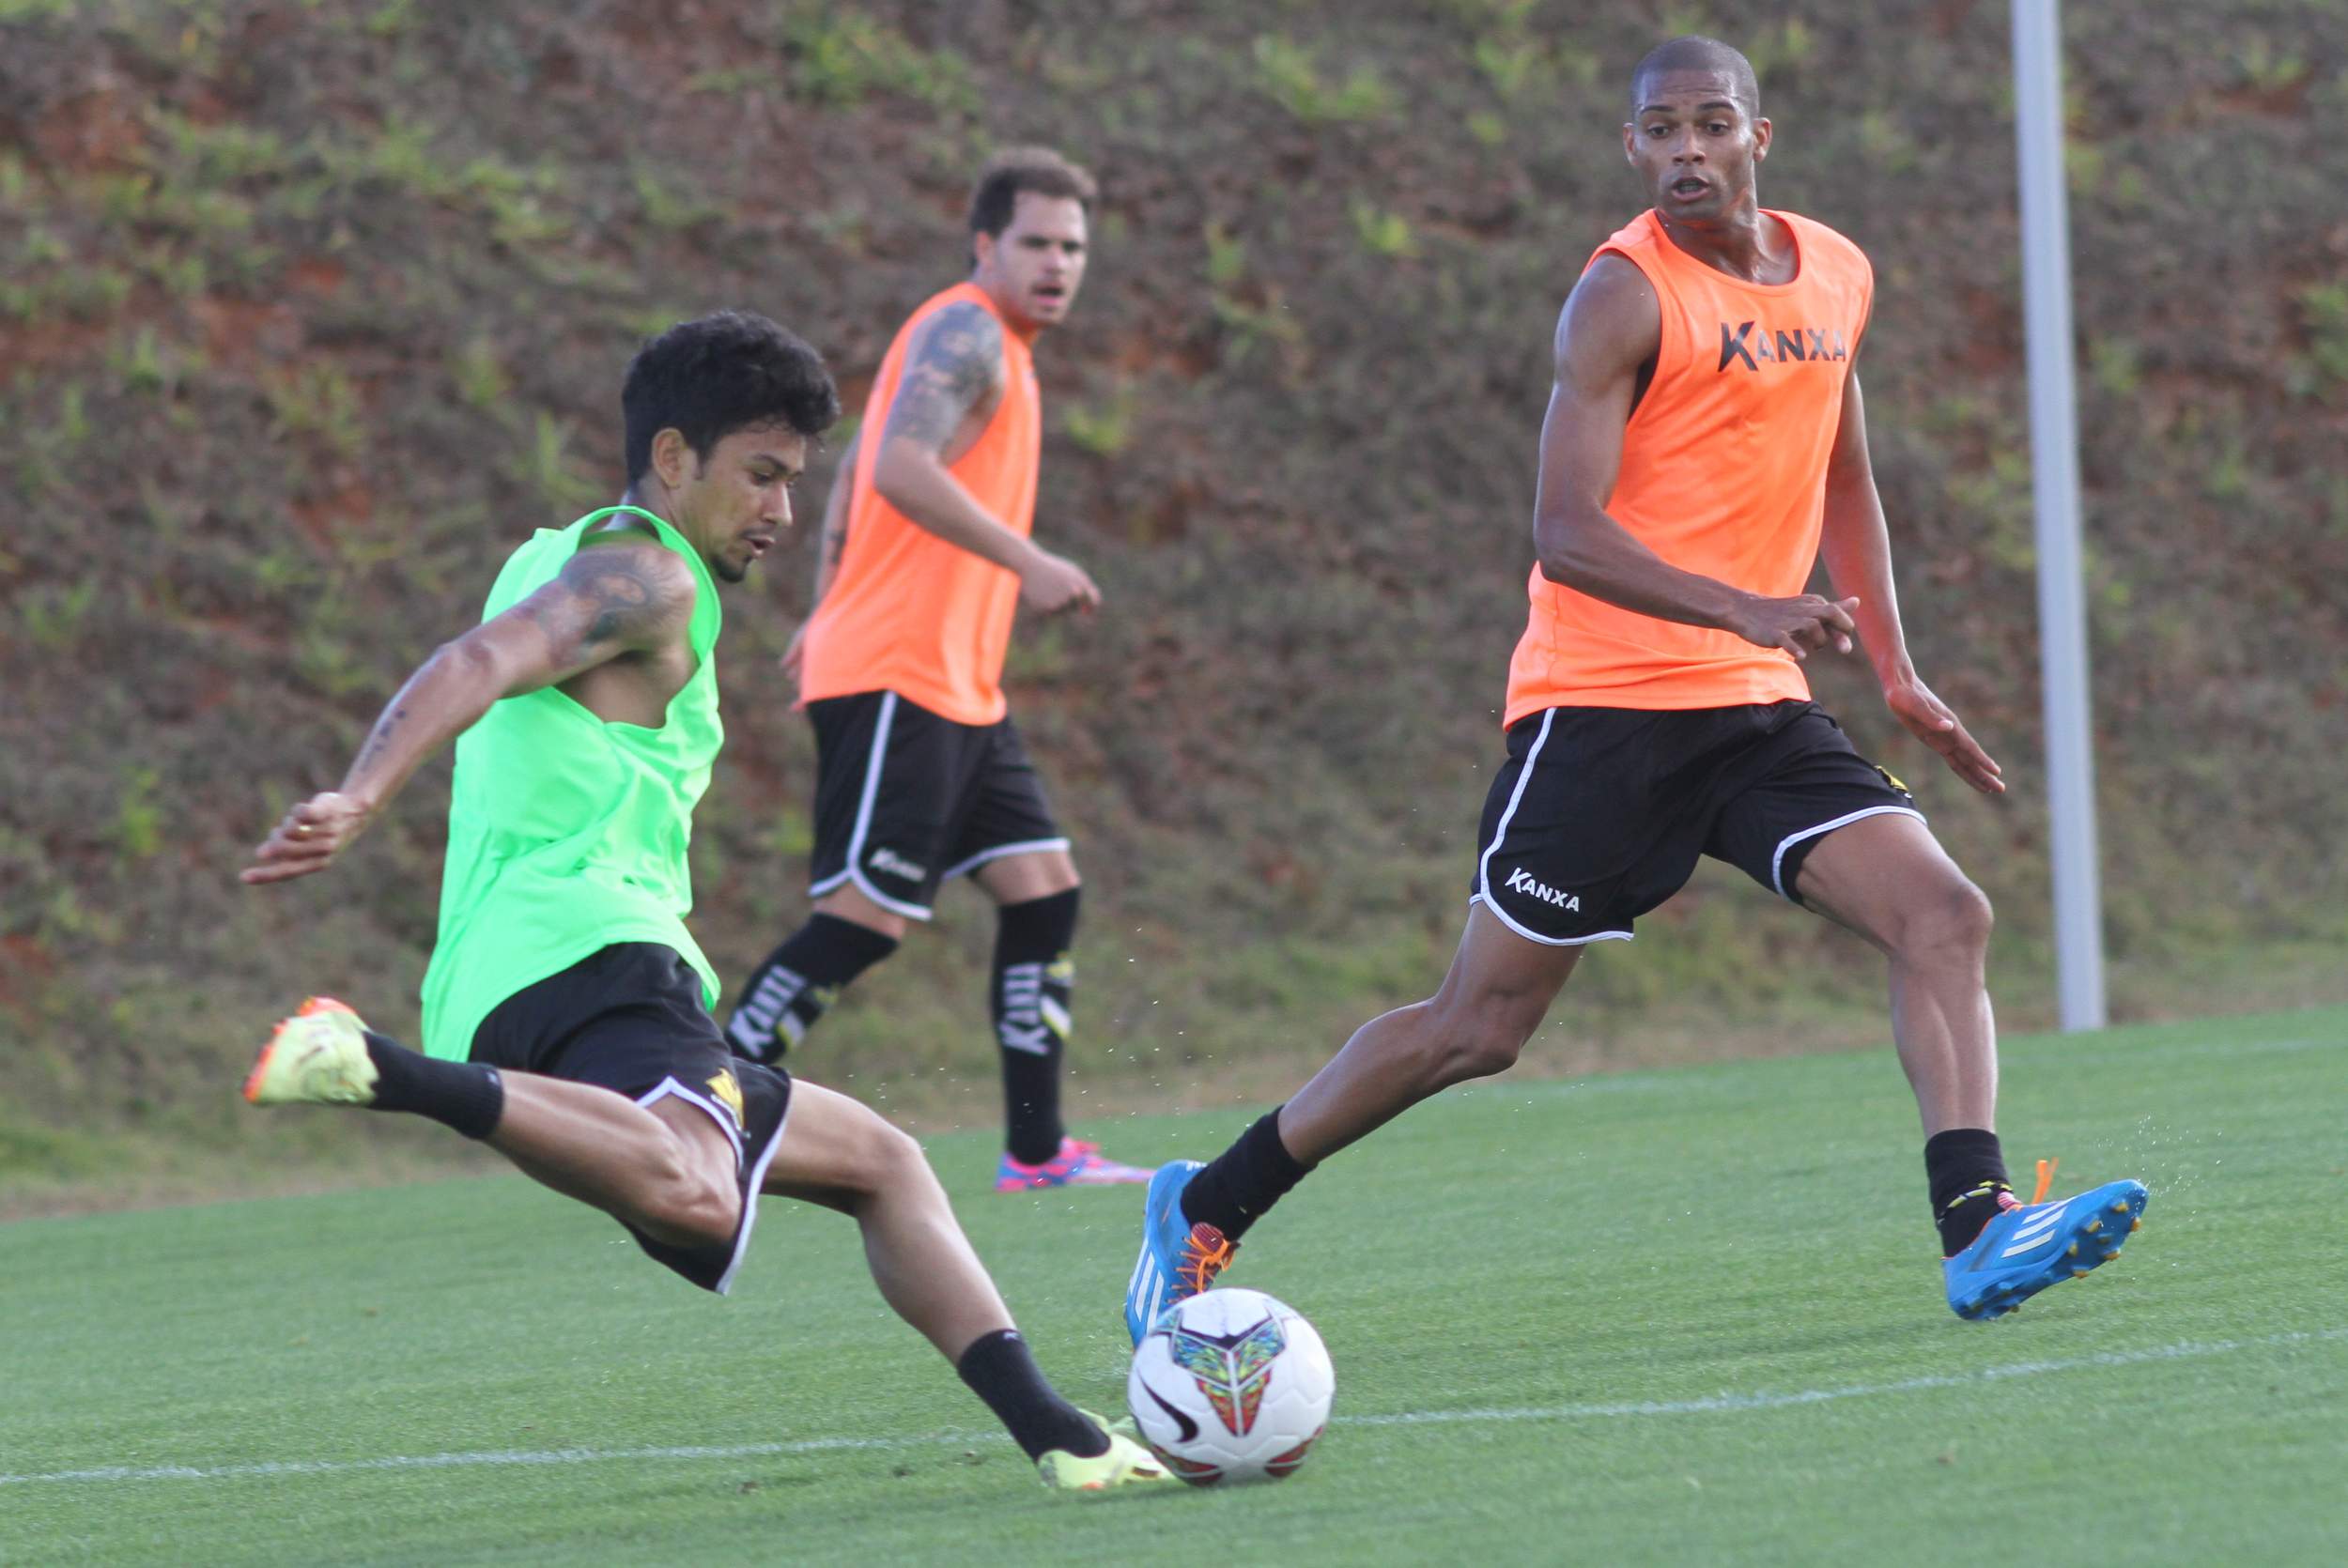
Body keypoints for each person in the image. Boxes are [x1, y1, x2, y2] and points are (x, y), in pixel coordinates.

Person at [1125, 37, 2148, 1342]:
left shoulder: (1834, 270)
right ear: (1631, 148)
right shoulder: (1619, 296)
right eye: (1659, 131)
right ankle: (1205, 1205)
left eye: (1710, 125)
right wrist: (1745, 601)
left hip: (1757, 705)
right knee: (1478, 1027)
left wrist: (1895, 664)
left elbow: (1844, 473)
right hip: (1599, 707)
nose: (1685, 152)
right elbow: (1563, 528)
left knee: (1944, 912)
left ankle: (1981, 1228)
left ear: (1758, 138)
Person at [238, 310, 1163, 1492]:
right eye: (760, 475)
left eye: (792, 479)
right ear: (674, 458)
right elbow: (479, 660)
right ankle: (379, 1068)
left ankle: (1065, 1438)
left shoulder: (563, 547)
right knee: (698, 1183)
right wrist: (363, 793)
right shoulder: (648, 574)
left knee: (882, 1161)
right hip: (593, 948)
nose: (781, 510)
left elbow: (494, 657)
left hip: (511, 971)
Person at [724, 148, 1151, 1195]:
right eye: (1037, 242)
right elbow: (897, 466)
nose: (1058, 263)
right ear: (985, 245)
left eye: (1073, 247)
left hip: (960, 685)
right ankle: (699, 1106)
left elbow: (861, 459)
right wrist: (1029, 559)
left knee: (1044, 889)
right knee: (864, 920)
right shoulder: (965, 327)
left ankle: (1038, 1151)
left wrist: (824, 599)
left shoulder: (991, 345)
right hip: (900, 673)